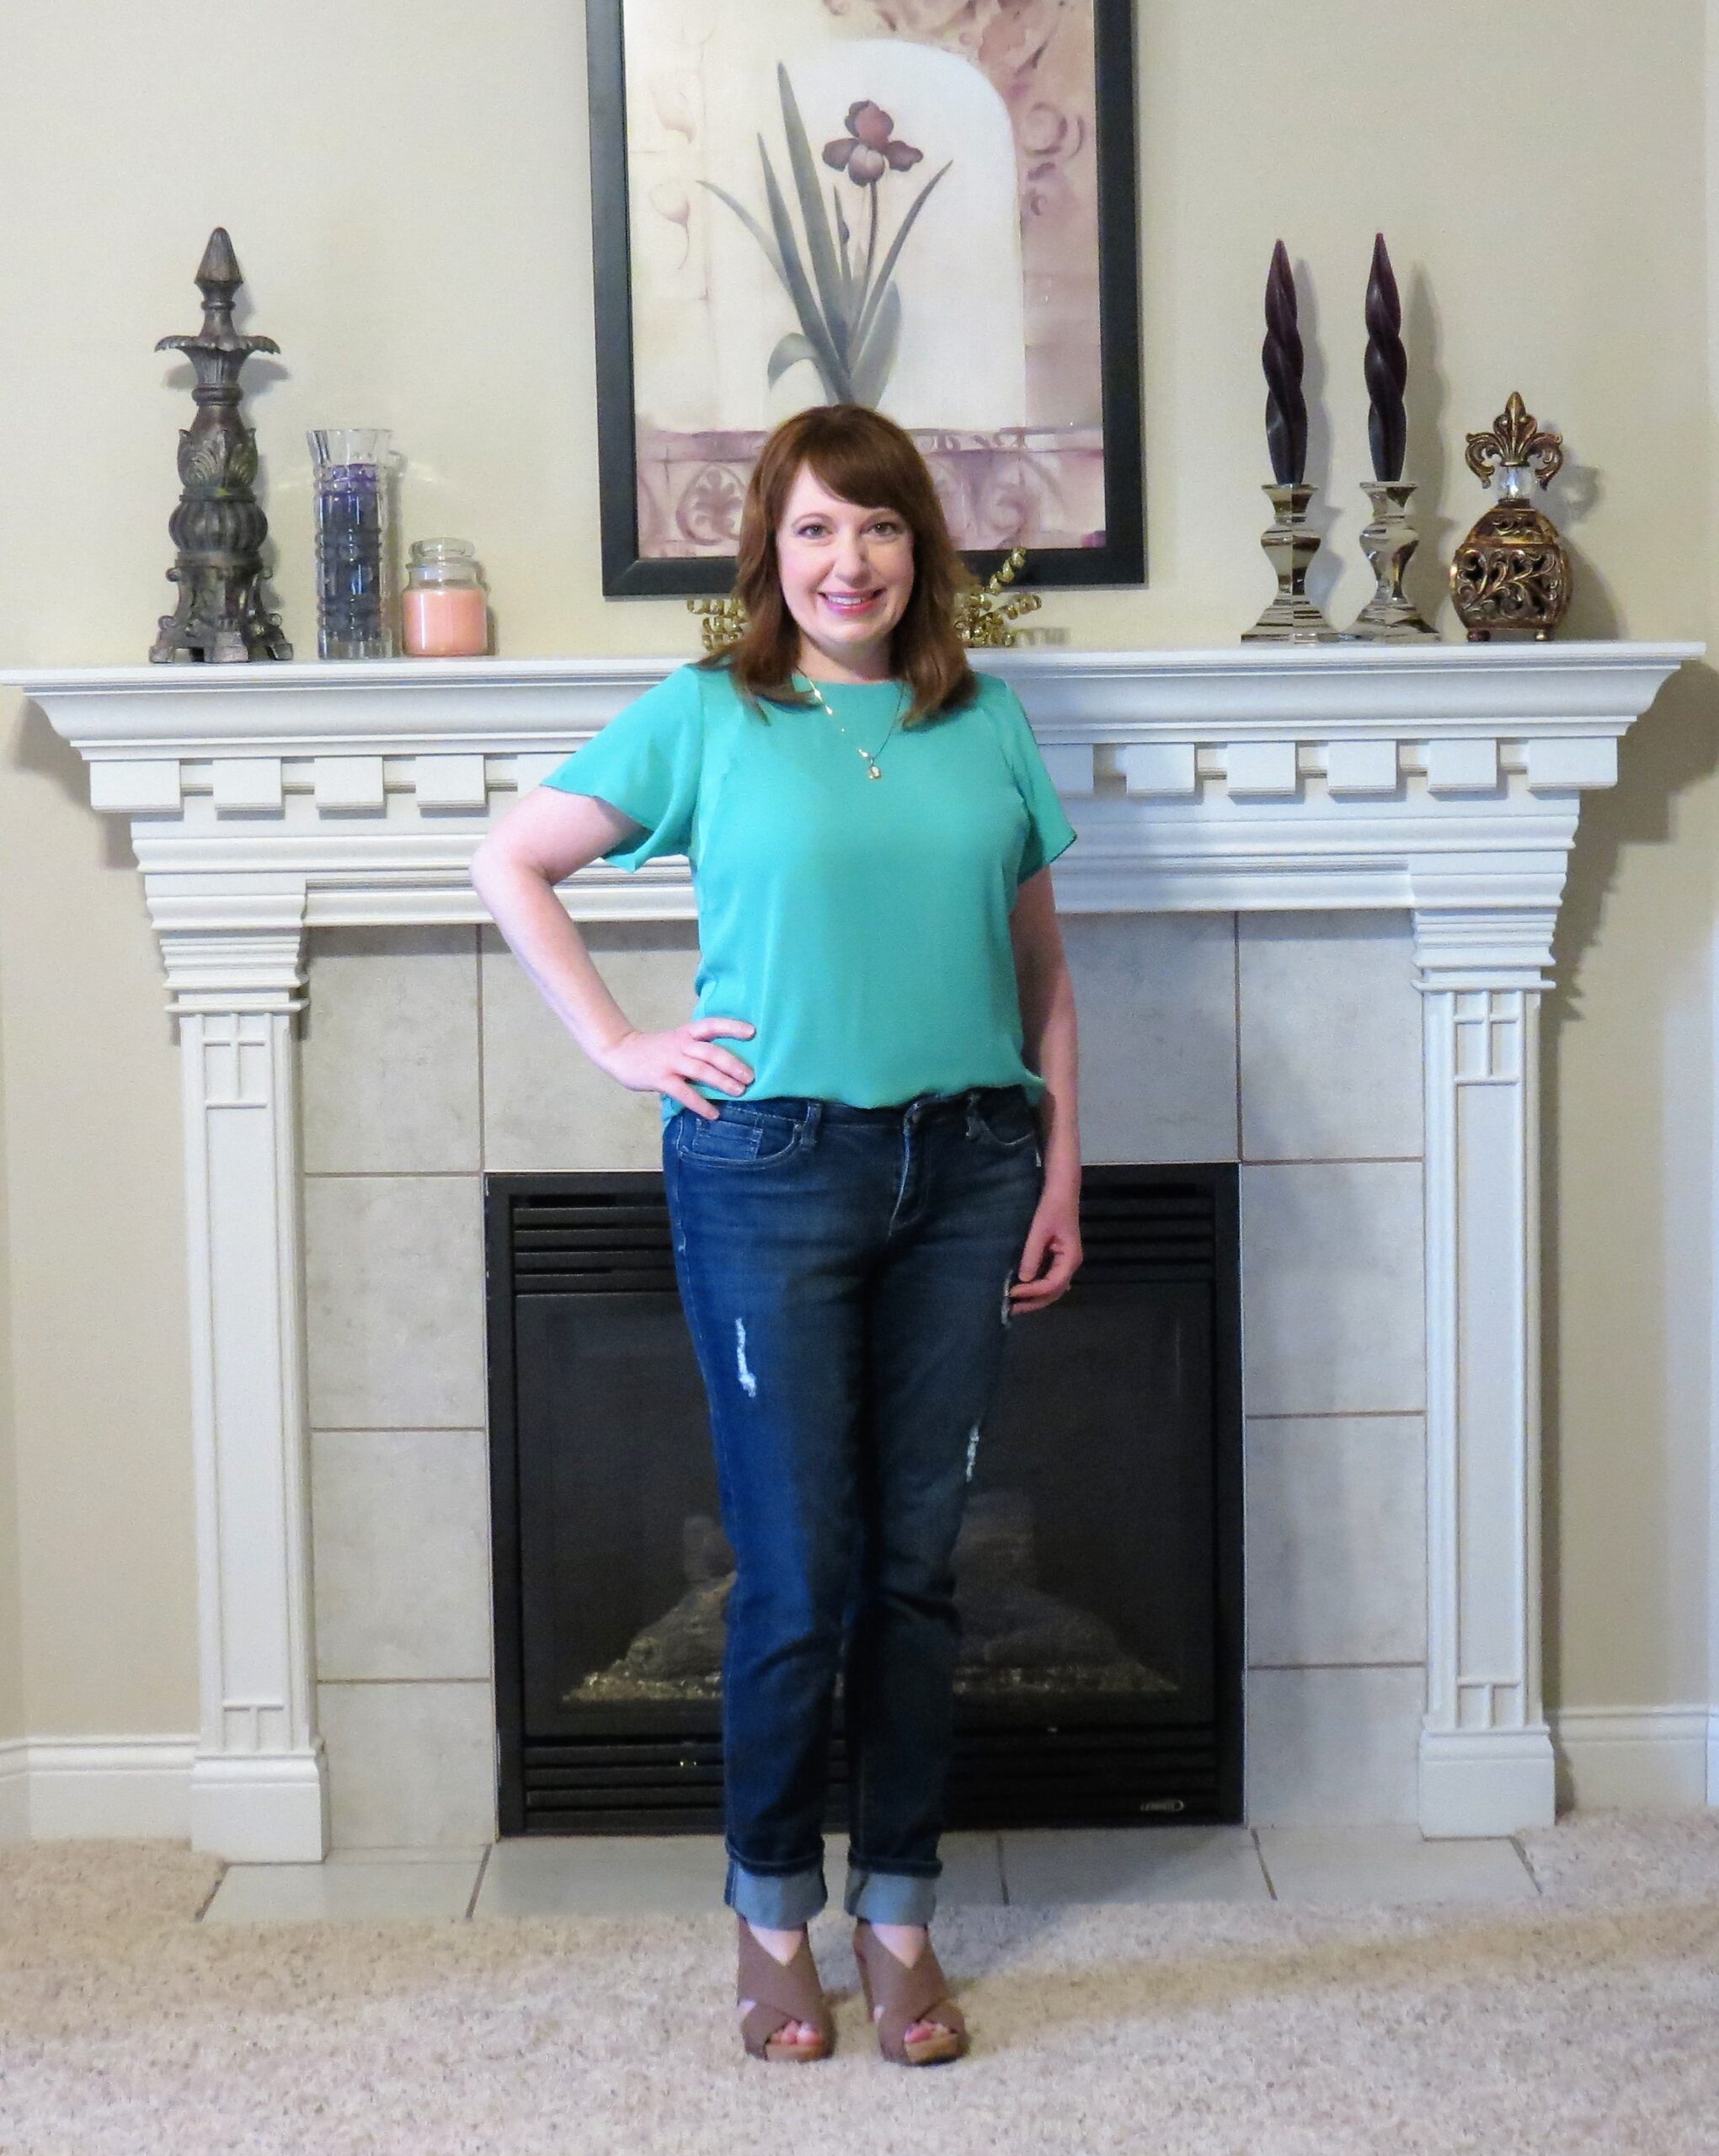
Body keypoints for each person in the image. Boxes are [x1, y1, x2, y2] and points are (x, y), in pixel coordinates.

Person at [472, 403, 1081, 2066]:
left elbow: (1040, 972)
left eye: (878, 527)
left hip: (966, 1167)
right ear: (771, 552)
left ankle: (895, 1913)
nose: (849, 560)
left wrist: (1060, 1167)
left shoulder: (986, 724)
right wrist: (618, 1043)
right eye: (815, 529)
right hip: (768, 1173)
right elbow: (513, 859)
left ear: (917, 550)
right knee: (799, 1573)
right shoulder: (705, 716)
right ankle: (766, 1915)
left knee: (913, 1566)